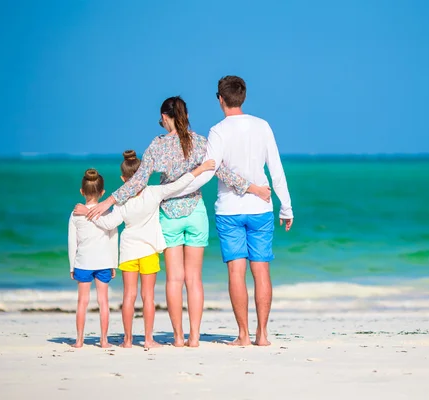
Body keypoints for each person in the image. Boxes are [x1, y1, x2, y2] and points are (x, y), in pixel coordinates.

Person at [84, 96, 270, 347]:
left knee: (174, 280)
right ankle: (194, 337)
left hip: (169, 215)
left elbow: (138, 181)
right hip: (195, 213)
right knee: (194, 279)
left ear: (163, 117)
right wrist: (254, 189)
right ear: (186, 115)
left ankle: (178, 338)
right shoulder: (201, 142)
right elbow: (222, 173)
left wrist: (109, 202)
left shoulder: (157, 146)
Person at [179, 76, 293, 346]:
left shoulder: (218, 130)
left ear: (220, 99)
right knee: (262, 270)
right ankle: (262, 335)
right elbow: (276, 169)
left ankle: (242, 335)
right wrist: (286, 207)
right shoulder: (262, 126)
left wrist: (180, 188)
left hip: (229, 209)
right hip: (261, 208)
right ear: (243, 96)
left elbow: (211, 168)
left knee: (236, 273)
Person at [75, 151, 216, 348]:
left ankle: (127, 340)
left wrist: (87, 211)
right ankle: (148, 340)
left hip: (128, 252)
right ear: (143, 174)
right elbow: (179, 184)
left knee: (128, 296)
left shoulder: (122, 201)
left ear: (123, 178)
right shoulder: (154, 192)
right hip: (149, 251)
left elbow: (107, 224)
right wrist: (200, 169)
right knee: (148, 297)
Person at [68, 169, 118, 348]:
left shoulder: (75, 214)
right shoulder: (107, 213)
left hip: (83, 263)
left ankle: (79, 340)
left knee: (82, 301)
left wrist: (72, 266)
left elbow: (72, 242)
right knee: (103, 301)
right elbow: (113, 239)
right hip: (104, 262)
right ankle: (104, 340)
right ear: (102, 193)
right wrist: (114, 263)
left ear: (81, 191)